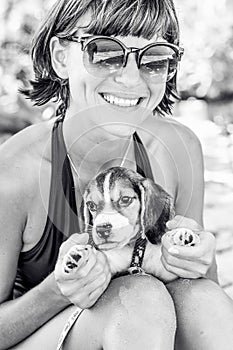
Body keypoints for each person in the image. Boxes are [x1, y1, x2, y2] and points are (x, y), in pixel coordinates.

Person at [1, 0, 233, 349]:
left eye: (154, 58)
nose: (130, 77)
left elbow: (199, 290)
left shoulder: (178, 149)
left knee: (204, 300)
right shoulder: (14, 174)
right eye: (105, 52)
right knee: (139, 299)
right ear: (62, 57)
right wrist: (58, 291)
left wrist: (200, 258)